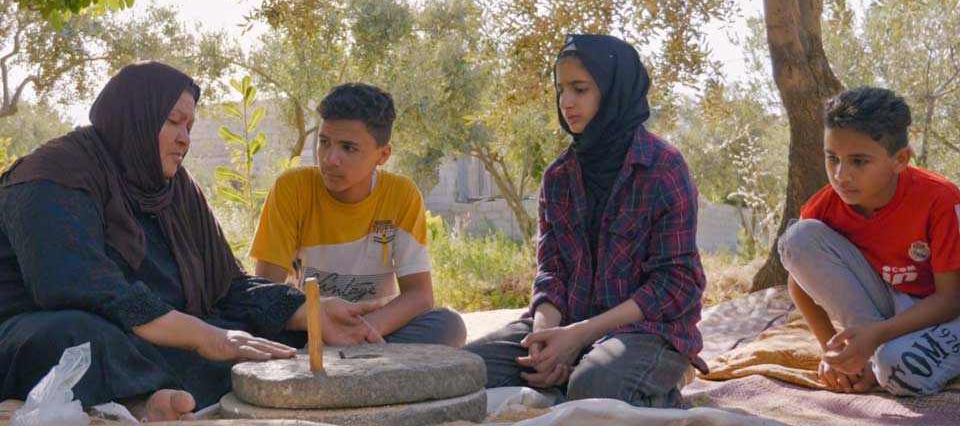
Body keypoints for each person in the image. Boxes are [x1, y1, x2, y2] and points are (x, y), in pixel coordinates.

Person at [0, 62, 379, 422]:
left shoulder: (174, 186)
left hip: (160, 330)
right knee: (72, 337)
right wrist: (204, 337)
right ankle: (139, 402)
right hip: (54, 326)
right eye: (173, 122)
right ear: (136, 117)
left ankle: (158, 392)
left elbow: (227, 286)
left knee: (256, 332)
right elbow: (78, 287)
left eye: (190, 125)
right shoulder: (52, 173)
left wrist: (309, 311)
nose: (185, 138)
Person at [464, 34, 706, 407]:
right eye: (561, 89)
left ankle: (656, 387)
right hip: (568, 324)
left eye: (580, 88)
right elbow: (552, 270)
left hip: (646, 331)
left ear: (613, 91)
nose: (567, 102)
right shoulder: (559, 175)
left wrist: (578, 337)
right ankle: (569, 376)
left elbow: (675, 283)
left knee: (594, 387)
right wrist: (545, 338)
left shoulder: (662, 167)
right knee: (463, 370)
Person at [250, 82, 465, 347]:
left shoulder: (401, 195)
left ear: (382, 155)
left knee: (448, 324)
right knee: (251, 331)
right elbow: (266, 292)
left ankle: (351, 368)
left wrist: (363, 331)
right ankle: (367, 373)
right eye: (324, 142)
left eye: (348, 148)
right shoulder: (291, 188)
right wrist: (320, 325)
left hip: (374, 331)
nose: (330, 159)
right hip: (307, 332)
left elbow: (419, 295)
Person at [779, 87, 960, 395]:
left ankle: (879, 356)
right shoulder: (823, 207)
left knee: (902, 372)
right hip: (888, 306)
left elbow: (950, 299)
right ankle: (863, 357)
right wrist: (832, 351)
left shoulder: (940, 200)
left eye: (858, 161)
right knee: (797, 238)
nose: (840, 175)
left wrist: (877, 335)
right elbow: (799, 279)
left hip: (945, 310)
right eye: (832, 158)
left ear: (900, 159)